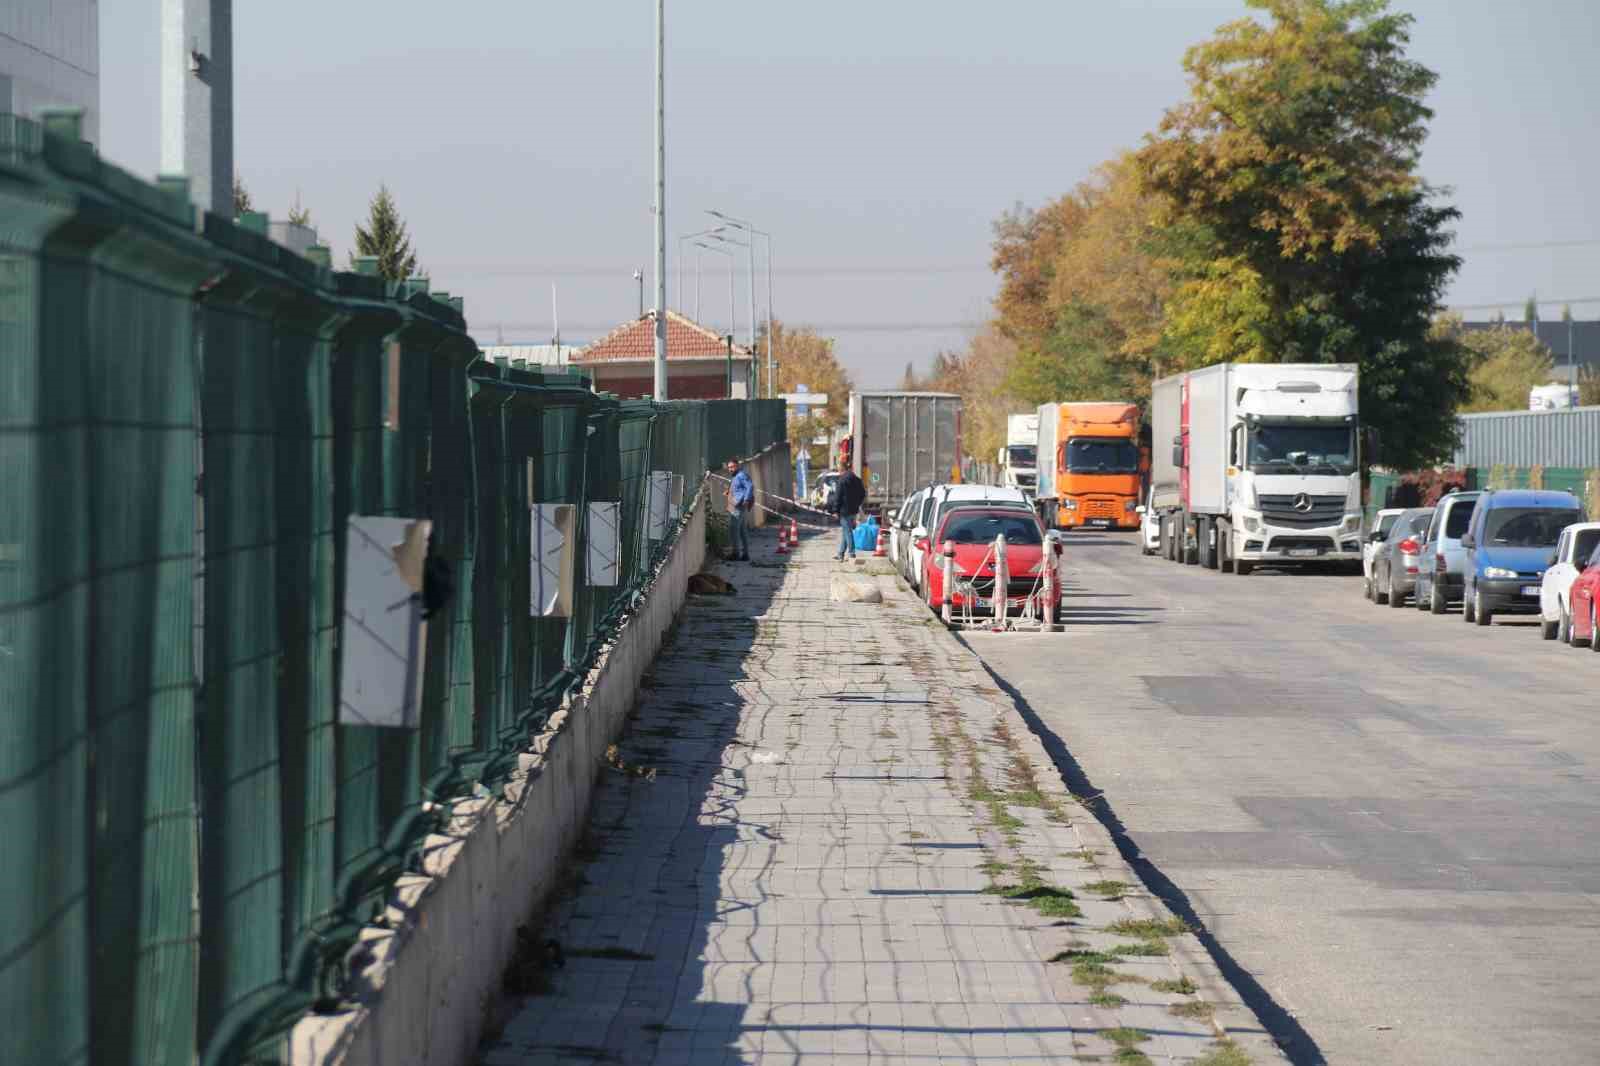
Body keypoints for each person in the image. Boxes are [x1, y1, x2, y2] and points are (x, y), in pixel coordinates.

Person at [830, 461, 867, 561]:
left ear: (841, 469)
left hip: (844, 511)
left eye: (838, 469)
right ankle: (840, 554)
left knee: (848, 531)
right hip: (853, 510)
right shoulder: (857, 479)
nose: (838, 471)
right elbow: (863, 494)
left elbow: (838, 497)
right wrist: (857, 504)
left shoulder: (841, 480)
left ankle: (852, 553)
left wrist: (835, 511)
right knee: (846, 532)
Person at [725, 460, 754, 561]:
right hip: (735, 504)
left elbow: (750, 486)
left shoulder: (741, 475)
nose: (730, 469)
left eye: (732, 467)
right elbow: (738, 489)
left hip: (738, 505)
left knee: (734, 529)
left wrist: (746, 499)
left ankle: (736, 554)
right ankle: (745, 554)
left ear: (737, 466)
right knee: (742, 530)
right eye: (729, 467)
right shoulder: (735, 476)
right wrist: (729, 492)